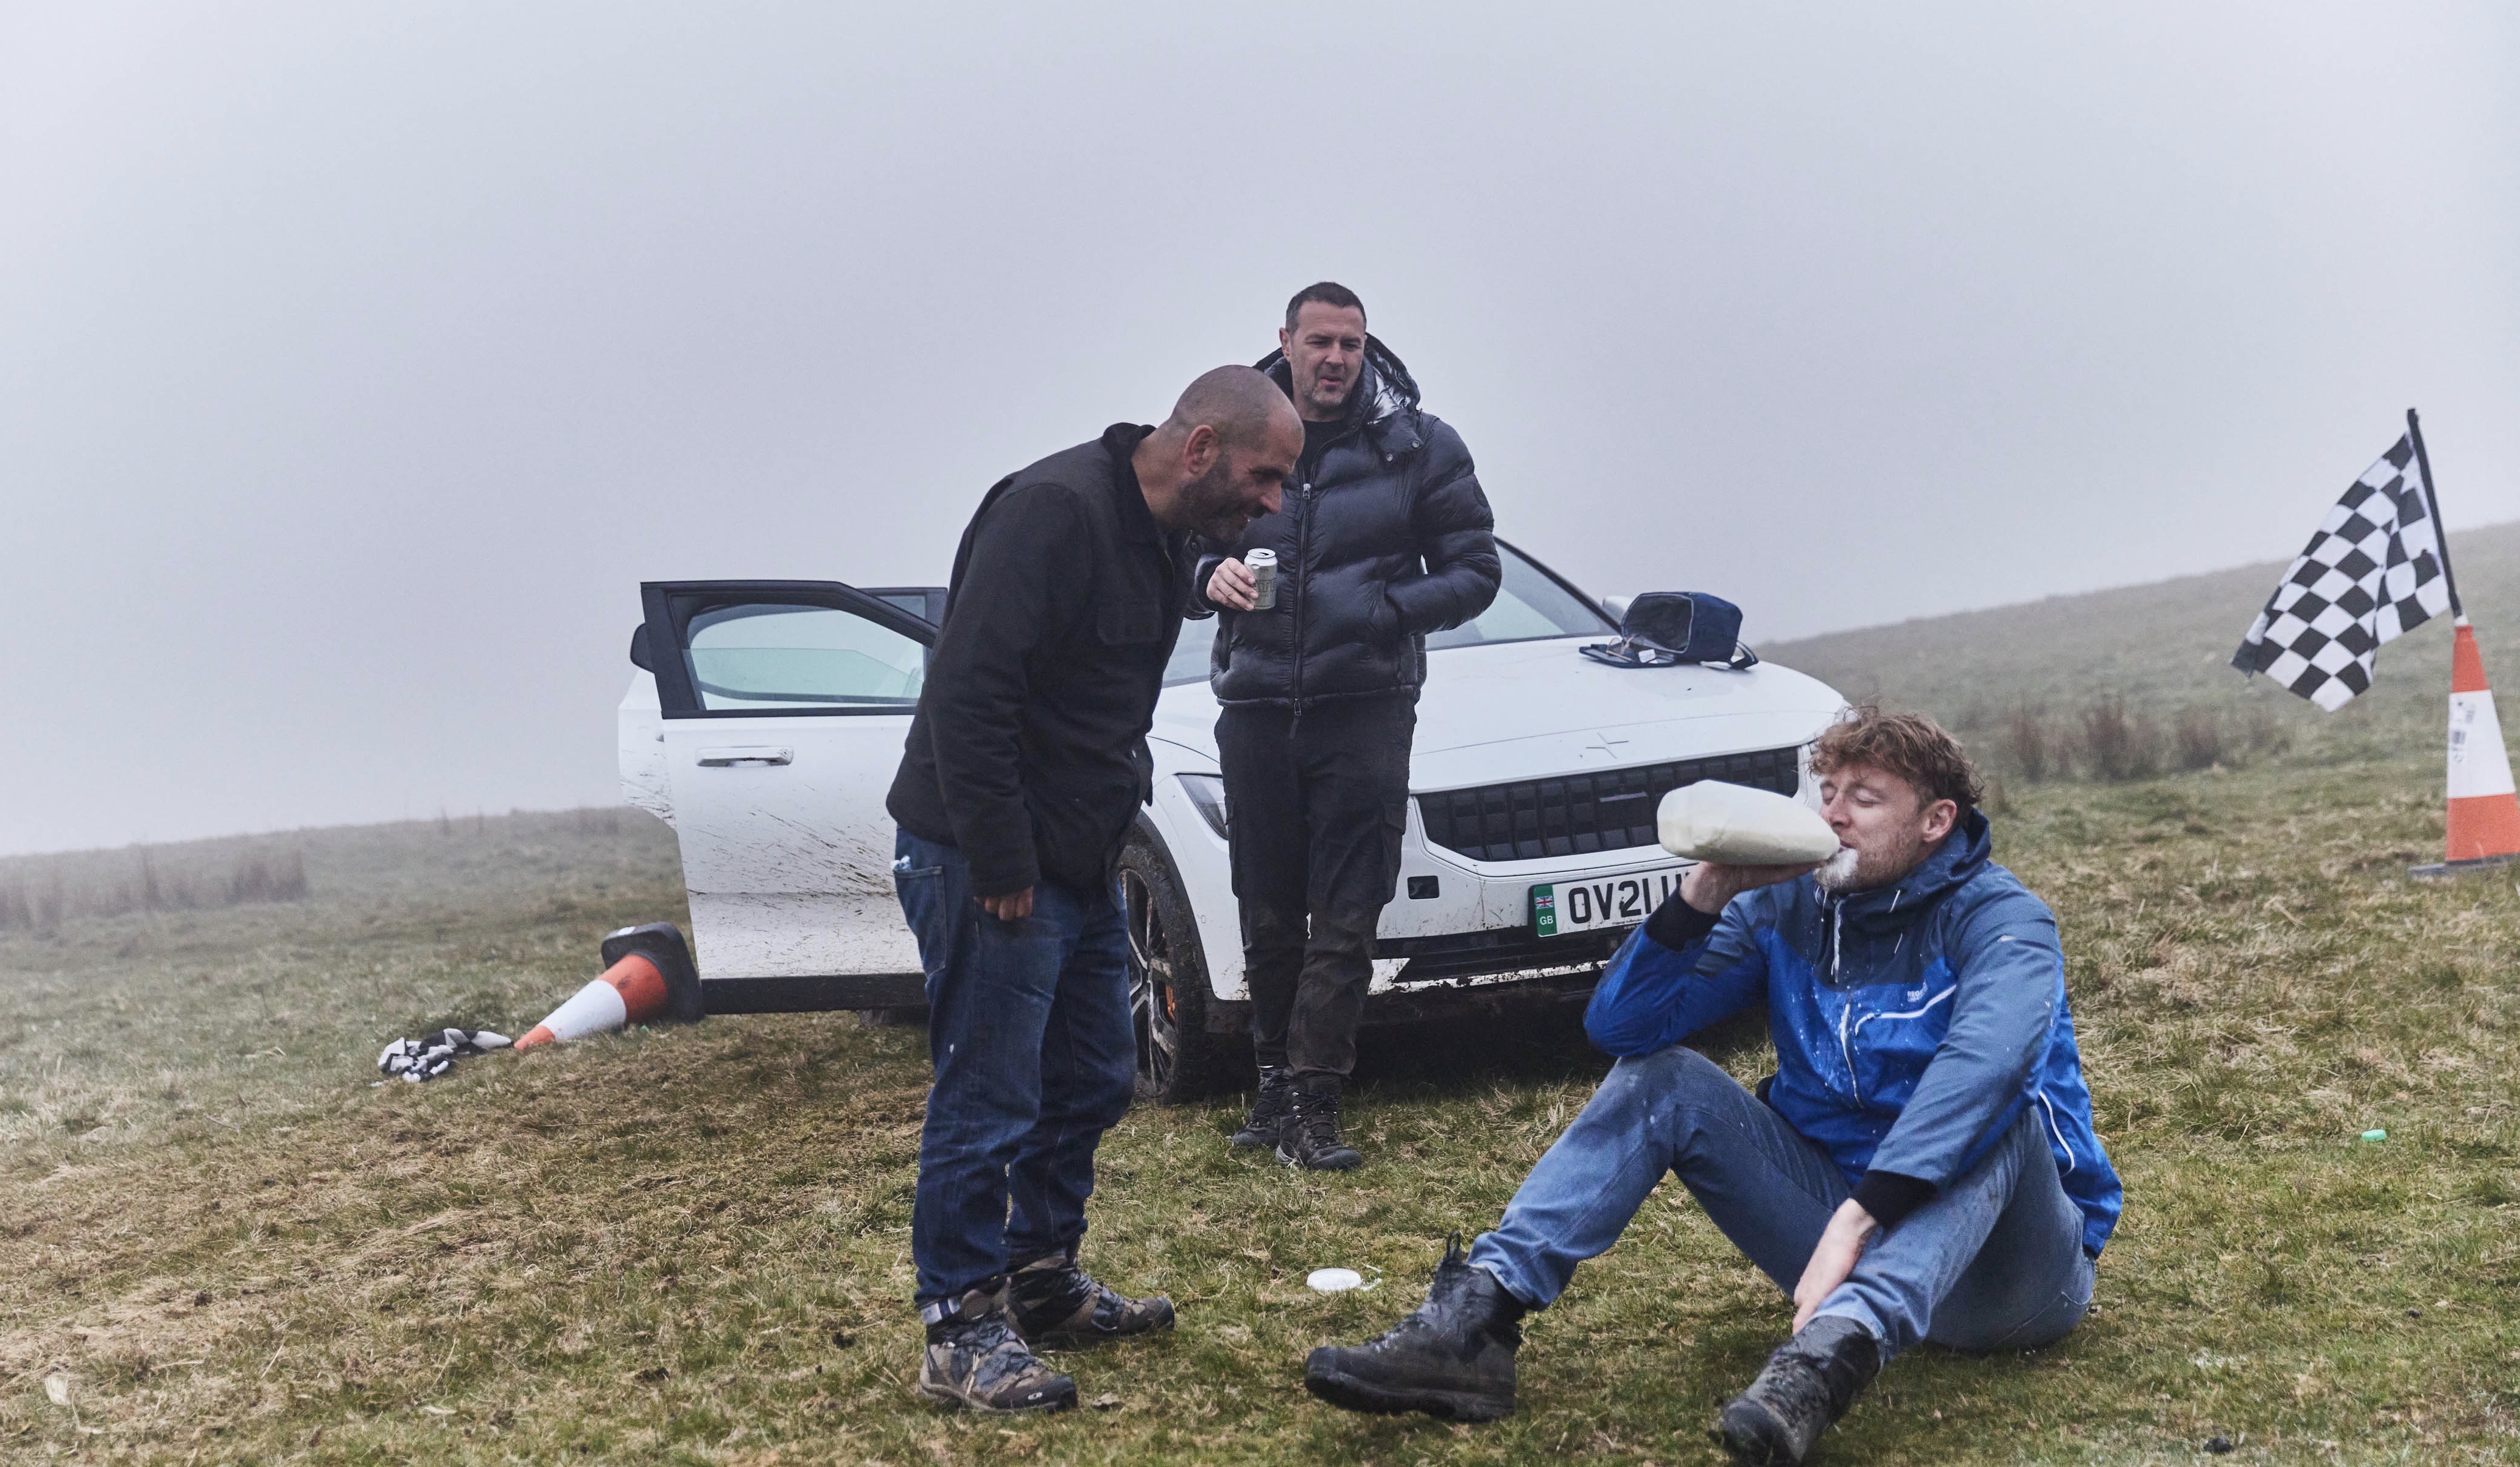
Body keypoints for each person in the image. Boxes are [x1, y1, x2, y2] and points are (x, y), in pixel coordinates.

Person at [1301, 709, 2124, 1465]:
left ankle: (1823, 1364)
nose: (1833, 815)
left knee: (1997, 1116)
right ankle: (1474, 1323)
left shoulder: (2003, 920)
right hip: (1837, 1246)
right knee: (1665, 1079)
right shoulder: (1790, 906)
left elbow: (1984, 1067)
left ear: (1935, 821)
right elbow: (1623, 1028)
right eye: (1827, 792)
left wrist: (1861, 1214)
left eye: (1865, 799)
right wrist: (1706, 891)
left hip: (2009, 1277)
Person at [884, 366, 1302, 1413]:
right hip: (991, 861)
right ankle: (957, 1329)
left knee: (1093, 1075)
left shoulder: (1163, 532)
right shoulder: (1050, 512)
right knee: (988, 1093)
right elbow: (968, 695)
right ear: (1200, 448)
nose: (1272, 502)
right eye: (1264, 476)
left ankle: (1038, 1276)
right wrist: (1001, 861)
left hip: (1079, 855)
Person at [1195, 282, 1501, 1170]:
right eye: (1320, 341)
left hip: (1365, 706)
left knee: (1345, 911)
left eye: (1351, 344)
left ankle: (1315, 1099)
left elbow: (1475, 570)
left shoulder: (1418, 445)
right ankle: (1271, 1085)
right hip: (1254, 704)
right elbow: (1174, 542)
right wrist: (1204, 576)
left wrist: (1383, 609)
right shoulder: (1233, 435)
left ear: (1366, 350)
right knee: (1265, 907)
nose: (1335, 359)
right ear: (1285, 340)